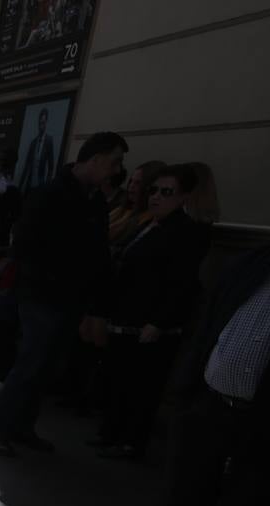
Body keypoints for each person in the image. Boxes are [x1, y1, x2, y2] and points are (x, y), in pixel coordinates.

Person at [106, 242, 270, 506]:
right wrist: (187, 392)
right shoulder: (253, 262)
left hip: (266, 426)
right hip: (209, 406)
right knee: (179, 503)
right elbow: (207, 323)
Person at [0, 131, 128, 456]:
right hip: (43, 295)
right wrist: (53, 276)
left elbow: (98, 252)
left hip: (70, 297)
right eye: (114, 162)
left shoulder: (94, 200)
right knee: (32, 362)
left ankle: (22, 427)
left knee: (48, 366)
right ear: (94, 159)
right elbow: (25, 245)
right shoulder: (50, 194)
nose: (117, 170)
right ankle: (1, 427)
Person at [93, 165, 208, 459]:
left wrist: (159, 321)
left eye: (166, 192)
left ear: (183, 197)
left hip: (152, 323)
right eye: (154, 190)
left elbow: (181, 283)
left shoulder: (185, 232)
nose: (156, 197)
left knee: (142, 386)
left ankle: (131, 441)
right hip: (127, 316)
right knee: (118, 379)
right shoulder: (149, 225)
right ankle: (111, 433)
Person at [107, 160, 167, 248]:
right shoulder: (123, 209)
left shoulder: (148, 218)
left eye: (138, 183)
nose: (131, 186)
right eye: (131, 181)